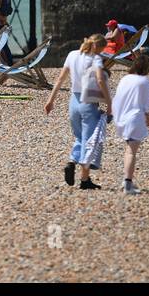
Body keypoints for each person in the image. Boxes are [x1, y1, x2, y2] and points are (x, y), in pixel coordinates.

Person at [44, 34, 113, 190]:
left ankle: (71, 162)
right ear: (98, 47)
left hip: (73, 102)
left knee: (80, 136)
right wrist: (110, 104)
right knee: (89, 141)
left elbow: (60, 79)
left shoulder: (72, 55)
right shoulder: (94, 59)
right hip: (88, 103)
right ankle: (84, 179)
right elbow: (101, 80)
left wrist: (50, 101)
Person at [112, 52, 149, 194]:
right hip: (135, 119)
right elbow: (147, 104)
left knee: (128, 150)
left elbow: (117, 98)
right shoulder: (145, 81)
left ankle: (126, 180)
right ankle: (128, 185)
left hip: (121, 118)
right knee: (131, 152)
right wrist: (147, 118)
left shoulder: (124, 79)